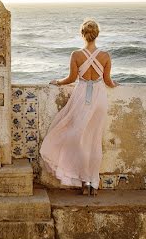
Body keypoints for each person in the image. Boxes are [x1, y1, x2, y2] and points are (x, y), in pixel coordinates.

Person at [40, 19, 117, 195]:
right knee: (95, 140)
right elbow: (108, 81)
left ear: (82, 34)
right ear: (97, 34)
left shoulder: (76, 55)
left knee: (79, 140)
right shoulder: (105, 56)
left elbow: (71, 79)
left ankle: (84, 182)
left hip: (82, 96)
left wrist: (57, 82)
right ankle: (93, 184)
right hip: (99, 98)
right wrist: (115, 84)